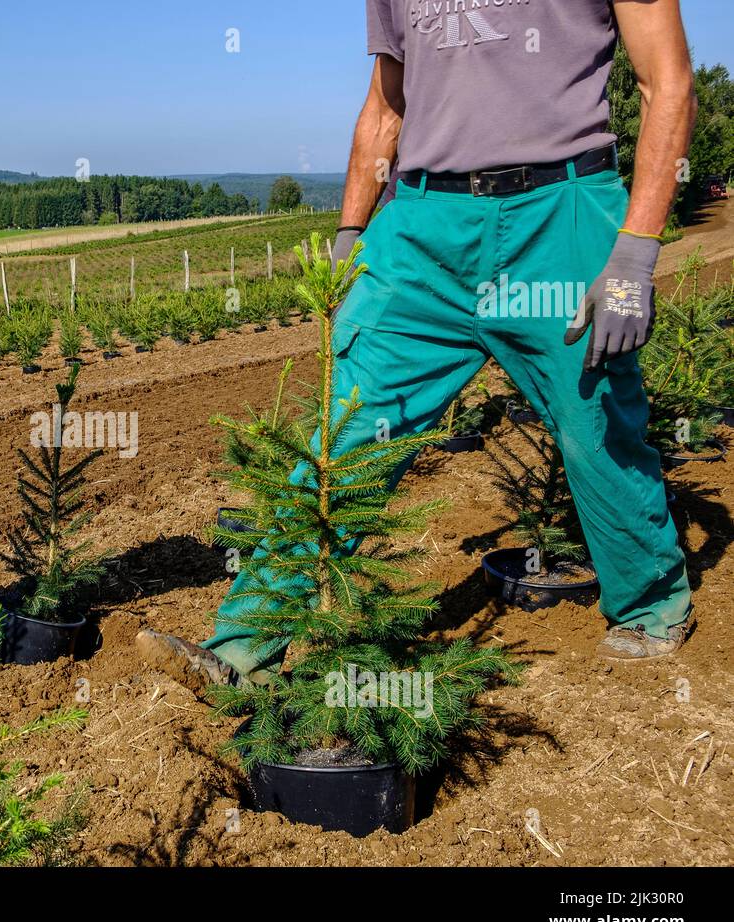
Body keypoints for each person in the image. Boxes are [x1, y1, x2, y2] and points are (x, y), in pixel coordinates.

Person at [140, 0, 697, 693]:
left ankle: (650, 606)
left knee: (596, 423)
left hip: (561, 214)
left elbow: (666, 81)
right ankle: (244, 650)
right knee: (345, 424)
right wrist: (350, 236)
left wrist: (636, 252)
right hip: (421, 230)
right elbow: (384, 110)